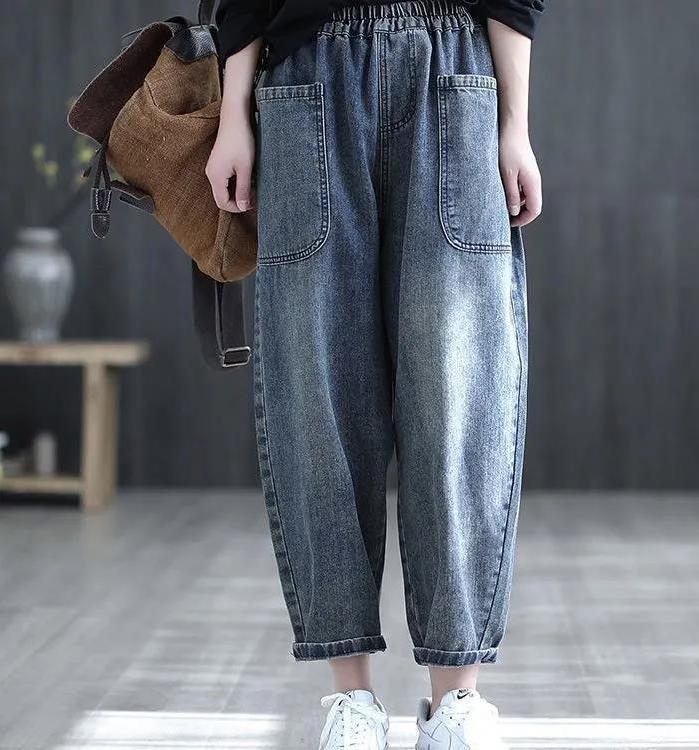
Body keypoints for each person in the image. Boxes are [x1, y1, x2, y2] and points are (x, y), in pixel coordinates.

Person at [208, 1, 543, 747]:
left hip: (454, 67)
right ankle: (350, 699)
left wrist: (515, 124)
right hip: (307, 78)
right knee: (318, 391)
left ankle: (457, 701)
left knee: (459, 395)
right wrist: (234, 114)